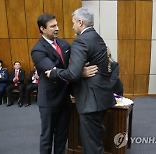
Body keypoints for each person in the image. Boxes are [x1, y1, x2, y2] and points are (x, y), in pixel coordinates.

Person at [45, 7, 116, 154]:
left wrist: (54, 72)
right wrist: (80, 71)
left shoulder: (81, 41)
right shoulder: (97, 37)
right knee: (95, 140)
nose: (72, 26)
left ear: (80, 22)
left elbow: (72, 74)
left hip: (91, 101)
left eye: (73, 23)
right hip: (102, 97)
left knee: (91, 145)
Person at [31, 14, 97, 154]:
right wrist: (79, 72)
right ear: (42, 29)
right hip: (49, 100)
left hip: (65, 99)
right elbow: (53, 71)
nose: (57, 28)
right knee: (47, 137)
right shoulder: (38, 50)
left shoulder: (64, 44)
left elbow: (75, 64)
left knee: (62, 136)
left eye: (57, 25)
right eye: (53, 26)